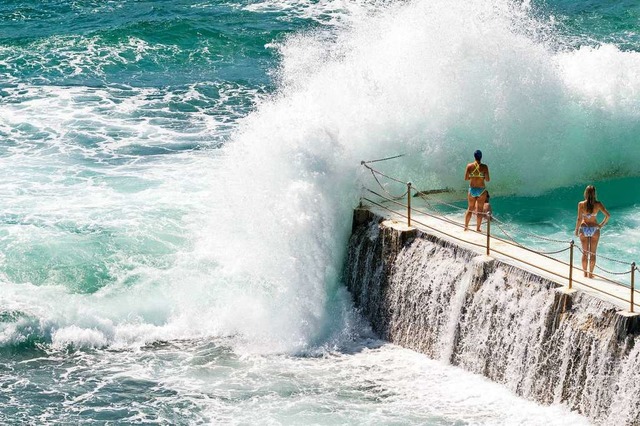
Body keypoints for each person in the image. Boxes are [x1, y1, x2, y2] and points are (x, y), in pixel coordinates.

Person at [574, 185, 610, 278]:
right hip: (594, 229)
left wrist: (577, 230)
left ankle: (585, 274)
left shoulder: (581, 204)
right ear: (594, 194)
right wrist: (600, 225)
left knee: (585, 253)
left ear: (585, 193)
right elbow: (608, 216)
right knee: (593, 253)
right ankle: (591, 274)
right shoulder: (598, 204)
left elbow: (579, 219)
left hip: (584, 228)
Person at [464, 150, 490, 231]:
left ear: (474, 156)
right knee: (480, 210)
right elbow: (488, 179)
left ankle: (466, 227)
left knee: (470, 208)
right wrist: (481, 177)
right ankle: (478, 228)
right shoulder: (484, 167)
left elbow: (466, 178)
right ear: (481, 157)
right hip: (481, 190)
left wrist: (473, 176)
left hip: (472, 189)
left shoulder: (469, 166)